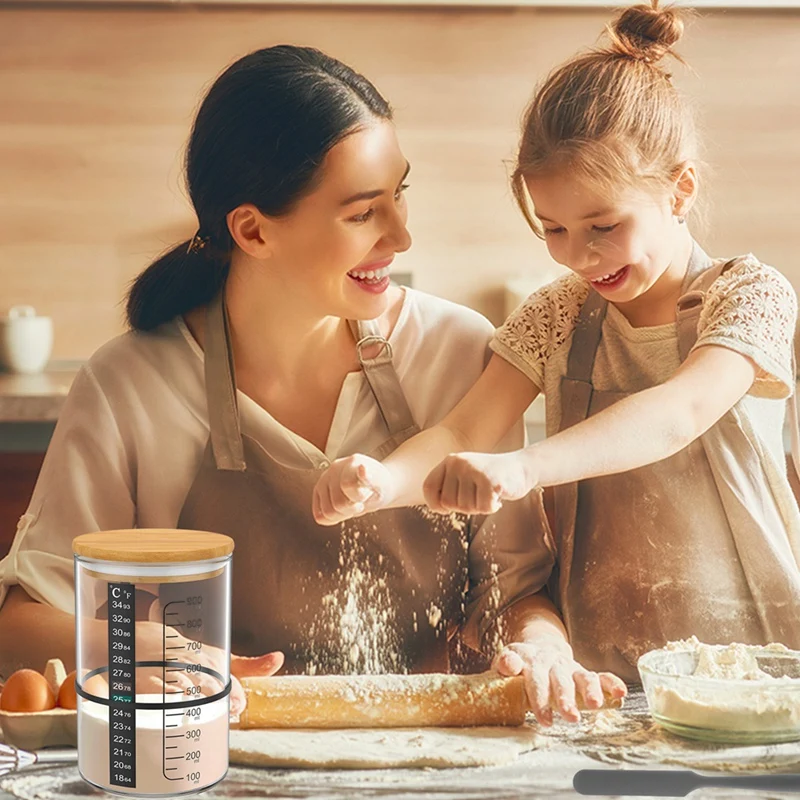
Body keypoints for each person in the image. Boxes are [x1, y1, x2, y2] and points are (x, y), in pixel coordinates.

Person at [0, 45, 625, 723]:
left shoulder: (459, 353)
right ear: (252, 230)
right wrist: (140, 648)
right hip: (210, 758)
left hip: (425, 757)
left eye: (399, 196)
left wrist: (543, 648)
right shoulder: (130, 386)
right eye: (362, 214)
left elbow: (515, 595)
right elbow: (23, 623)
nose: (402, 236)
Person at [312, 2, 800, 682]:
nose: (580, 256)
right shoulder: (559, 315)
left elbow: (679, 414)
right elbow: (465, 426)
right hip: (605, 666)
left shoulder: (749, 296)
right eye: (555, 228)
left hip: (760, 664)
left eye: (602, 225)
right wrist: (381, 481)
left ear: (680, 190)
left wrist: (528, 467)